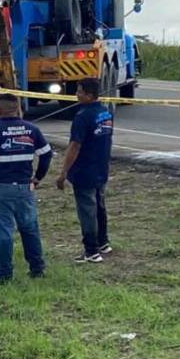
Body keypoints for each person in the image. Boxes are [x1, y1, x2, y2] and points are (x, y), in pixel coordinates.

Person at [0, 94, 54, 283]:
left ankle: (3, 274)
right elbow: (47, 154)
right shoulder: (32, 129)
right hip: (25, 187)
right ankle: (37, 268)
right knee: (30, 228)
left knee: (3, 232)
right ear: (18, 109)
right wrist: (38, 177)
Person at [56, 79, 114, 263]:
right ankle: (103, 242)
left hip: (84, 170)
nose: (76, 94)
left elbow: (75, 146)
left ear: (89, 95)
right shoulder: (105, 112)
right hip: (101, 167)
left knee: (87, 209)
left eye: (80, 91)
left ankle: (91, 251)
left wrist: (63, 172)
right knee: (99, 205)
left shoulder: (83, 116)